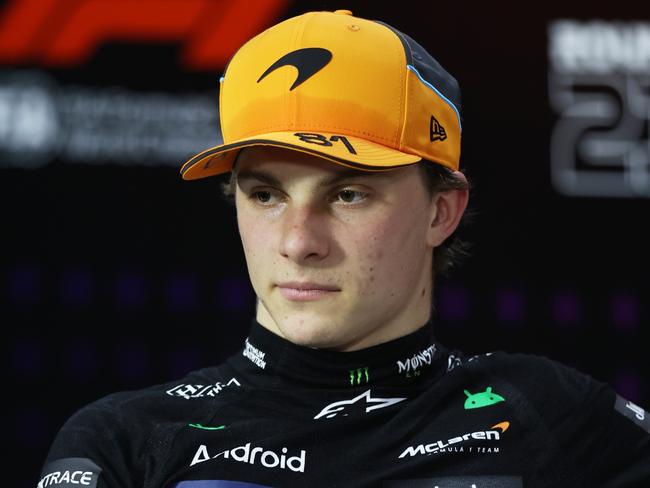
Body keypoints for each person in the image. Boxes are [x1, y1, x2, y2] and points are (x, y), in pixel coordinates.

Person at [38, 9, 650, 488]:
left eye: (349, 194)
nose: (299, 242)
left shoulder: (548, 413)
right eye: (265, 194)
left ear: (442, 211)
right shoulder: (124, 440)